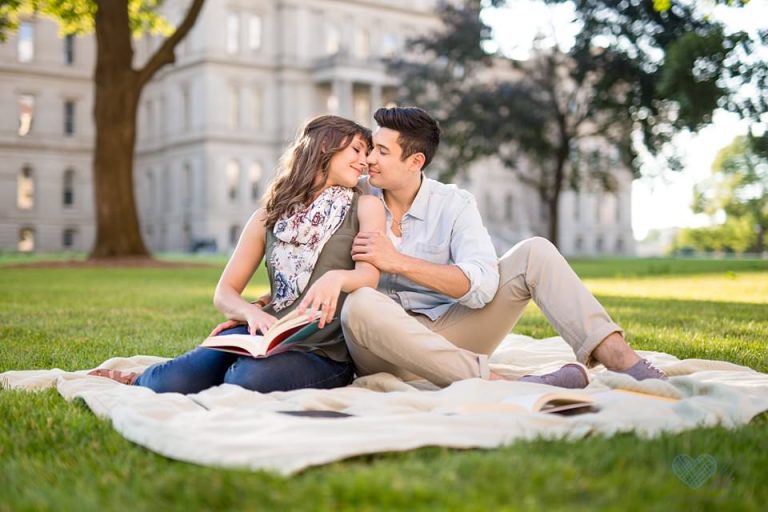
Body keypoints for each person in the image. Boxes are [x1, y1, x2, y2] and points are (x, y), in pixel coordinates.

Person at [341, 106, 667, 388]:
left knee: (535, 252)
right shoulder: (351, 198)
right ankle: (501, 385)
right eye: (371, 148)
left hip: (452, 335)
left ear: (415, 162)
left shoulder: (454, 204)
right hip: (384, 350)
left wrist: (399, 262)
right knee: (360, 305)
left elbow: (483, 284)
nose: (369, 158)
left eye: (382, 151)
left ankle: (623, 359)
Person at [88, 115, 386, 394]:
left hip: (322, 351)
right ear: (325, 145)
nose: (365, 161)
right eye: (358, 150)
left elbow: (369, 276)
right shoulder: (267, 217)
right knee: (172, 380)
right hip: (265, 334)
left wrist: (337, 278)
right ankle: (140, 378)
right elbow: (224, 293)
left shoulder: (365, 207)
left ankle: (227, 373)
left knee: (244, 379)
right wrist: (251, 313)